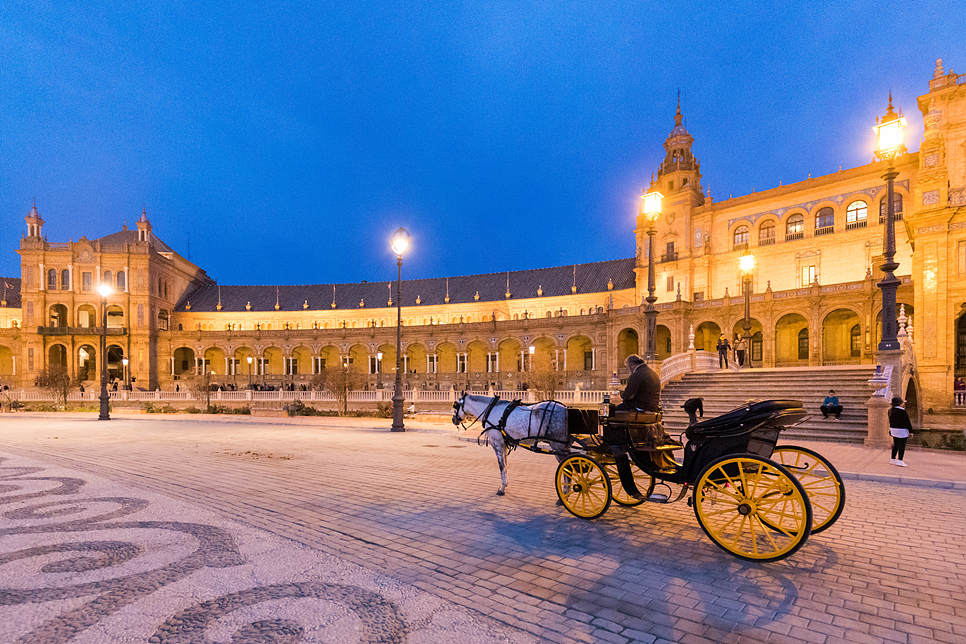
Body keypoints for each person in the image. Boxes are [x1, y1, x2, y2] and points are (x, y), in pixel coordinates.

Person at [889, 396, 913, 467]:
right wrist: (911, 431)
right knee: (902, 445)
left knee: (895, 444)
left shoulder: (890, 410)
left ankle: (892, 459)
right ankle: (900, 460)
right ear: (900, 404)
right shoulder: (902, 411)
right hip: (901, 430)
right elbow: (907, 422)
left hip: (893, 429)